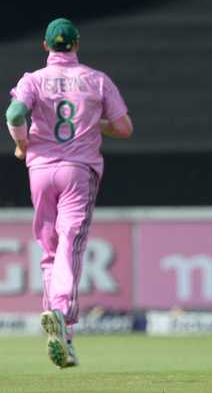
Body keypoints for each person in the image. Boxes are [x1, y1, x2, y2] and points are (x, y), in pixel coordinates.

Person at [5, 18, 133, 368]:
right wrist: (96, 122)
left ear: (46, 47)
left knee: (48, 251)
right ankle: (61, 310)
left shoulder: (33, 79)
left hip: (41, 169)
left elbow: (15, 112)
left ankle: (62, 333)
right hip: (78, 170)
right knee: (71, 242)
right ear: (75, 45)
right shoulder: (95, 79)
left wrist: (20, 143)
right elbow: (124, 128)